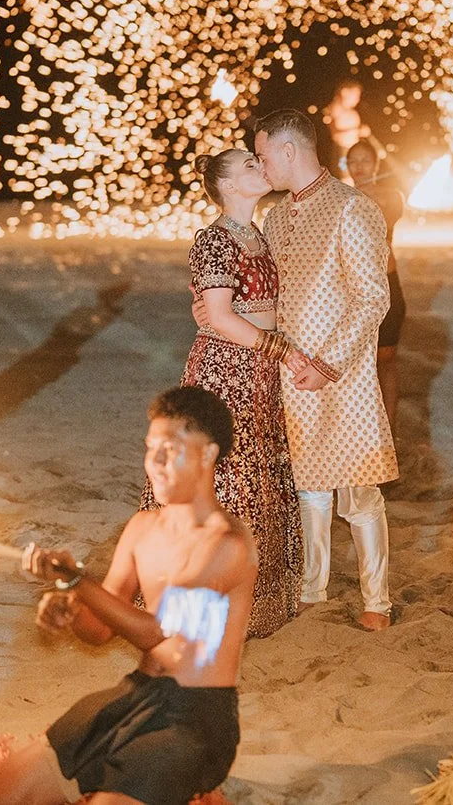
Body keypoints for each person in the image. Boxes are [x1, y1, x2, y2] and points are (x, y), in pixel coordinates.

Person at [0, 387, 257, 805]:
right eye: (149, 448)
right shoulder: (142, 528)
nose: (154, 463)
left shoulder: (227, 544)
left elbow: (155, 632)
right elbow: (101, 630)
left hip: (193, 720)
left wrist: (78, 581)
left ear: (208, 455)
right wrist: (69, 609)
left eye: (169, 450)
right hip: (135, 695)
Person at [141, 149, 304, 638]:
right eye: (250, 166)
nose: (262, 169)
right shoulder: (213, 238)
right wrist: (279, 348)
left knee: (260, 473)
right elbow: (221, 316)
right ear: (229, 186)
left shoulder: (259, 232)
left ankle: (252, 596)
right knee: (228, 474)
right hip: (227, 369)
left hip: (261, 369)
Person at [253, 109, 397, 631]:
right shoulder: (274, 217)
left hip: (345, 376)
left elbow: (371, 298)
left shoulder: (352, 208)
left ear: (290, 151)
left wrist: (328, 364)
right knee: (308, 488)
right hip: (290, 375)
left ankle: (376, 599)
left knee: (358, 493)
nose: (261, 166)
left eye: (264, 156)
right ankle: (313, 589)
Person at [345, 140, 406, 430]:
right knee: (353, 365)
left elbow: (387, 217)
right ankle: (357, 432)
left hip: (386, 285)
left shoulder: (390, 195)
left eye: (364, 161)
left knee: (386, 359)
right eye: (352, 161)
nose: (359, 167)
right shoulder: (339, 197)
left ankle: (389, 433)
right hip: (350, 292)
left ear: (376, 164)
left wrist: (364, 195)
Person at [323, 79, 369, 175]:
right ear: (345, 92)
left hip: (352, 150)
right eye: (355, 95)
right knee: (345, 176)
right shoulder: (336, 108)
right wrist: (357, 130)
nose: (357, 99)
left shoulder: (351, 112)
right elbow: (335, 133)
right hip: (342, 150)